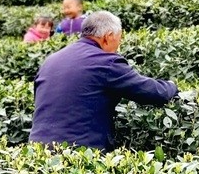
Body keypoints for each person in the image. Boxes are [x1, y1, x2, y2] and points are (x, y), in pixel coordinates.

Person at [29, 11, 178, 152]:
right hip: (77, 154)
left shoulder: (50, 60)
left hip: (37, 153)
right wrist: (172, 86)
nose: (118, 47)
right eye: (119, 40)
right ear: (108, 36)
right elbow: (153, 92)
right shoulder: (106, 62)